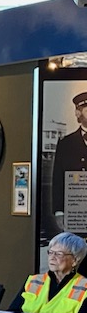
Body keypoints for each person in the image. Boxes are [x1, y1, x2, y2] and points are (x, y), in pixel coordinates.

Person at [8, 232, 87, 313]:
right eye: (51, 252)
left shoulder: (84, 286)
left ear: (75, 260)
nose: (52, 257)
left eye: (59, 254)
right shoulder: (34, 281)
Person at [52, 92, 87, 231]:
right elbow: (58, 177)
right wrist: (59, 211)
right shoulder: (66, 143)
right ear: (78, 113)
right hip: (75, 213)